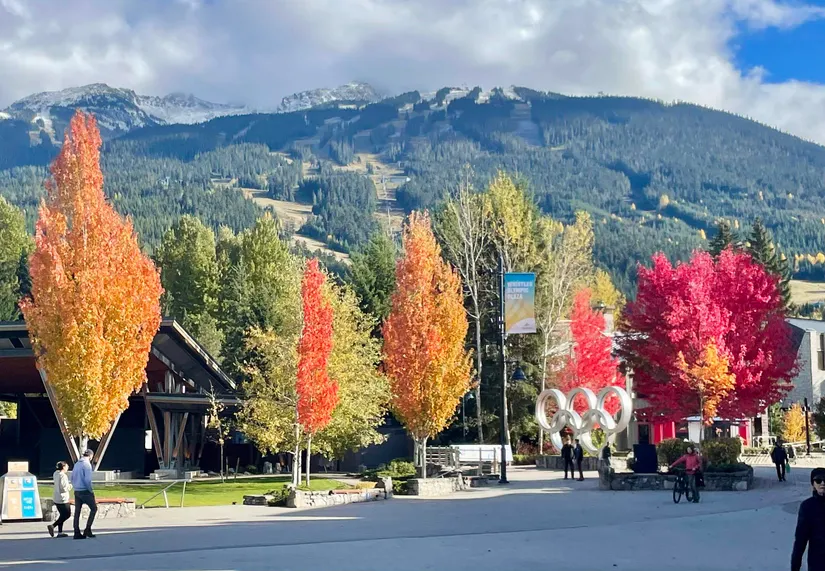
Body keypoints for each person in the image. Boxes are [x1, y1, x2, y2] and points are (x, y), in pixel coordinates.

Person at [791, 467, 825, 571]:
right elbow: (800, 540)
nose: (822, 483)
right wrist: (795, 566)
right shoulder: (807, 506)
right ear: (813, 484)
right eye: (818, 480)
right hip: (818, 562)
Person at [70, 449, 98, 539]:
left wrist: (75, 486)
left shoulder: (77, 464)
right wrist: (90, 490)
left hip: (77, 491)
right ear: (91, 456)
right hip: (85, 491)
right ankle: (87, 529)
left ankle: (76, 532)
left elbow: (72, 477)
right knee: (94, 509)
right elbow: (87, 480)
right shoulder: (87, 465)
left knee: (77, 511)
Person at [47, 461, 72, 538]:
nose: (68, 467)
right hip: (63, 499)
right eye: (67, 466)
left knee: (62, 515)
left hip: (56, 497)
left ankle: (60, 532)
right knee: (67, 514)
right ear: (63, 467)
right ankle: (53, 526)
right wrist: (71, 486)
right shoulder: (63, 476)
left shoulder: (55, 473)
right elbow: (64, 488)